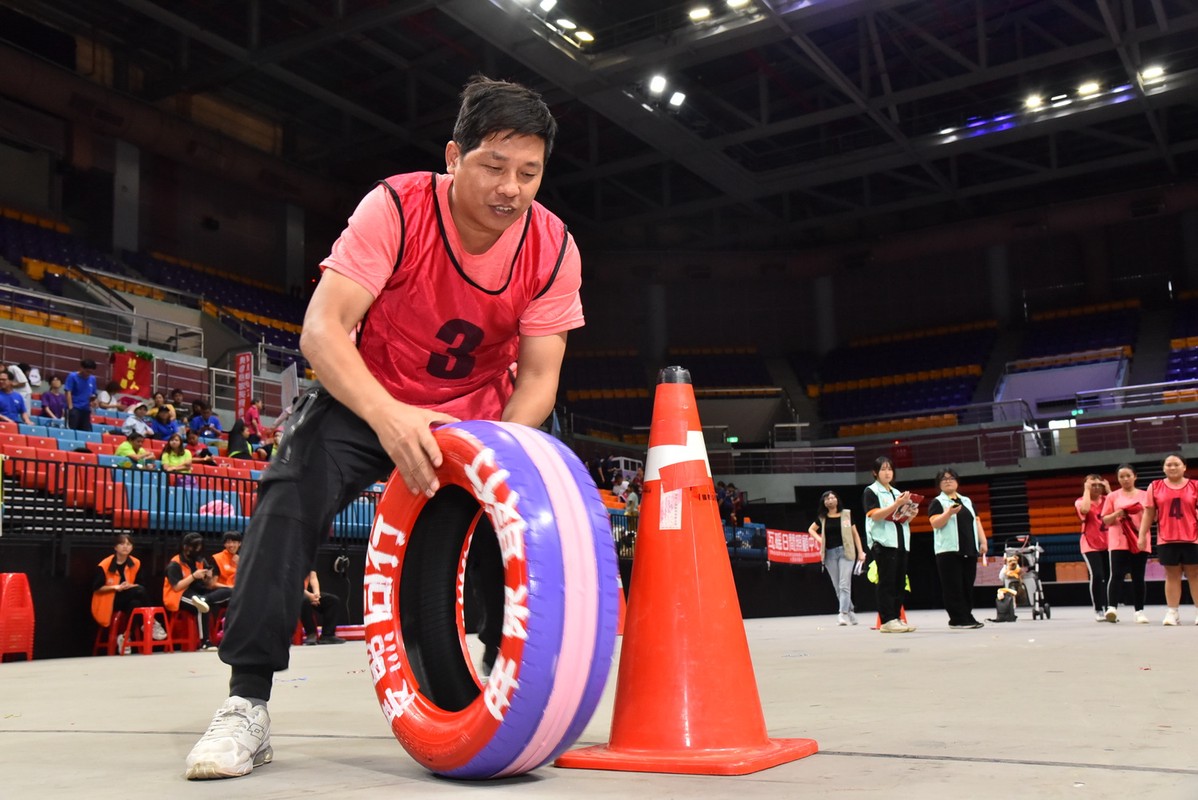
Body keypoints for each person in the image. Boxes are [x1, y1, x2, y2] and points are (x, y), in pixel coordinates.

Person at [186, 76, 582, 781]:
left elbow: (541, 380)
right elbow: (322, 330)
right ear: (453, 156)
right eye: (493, 165)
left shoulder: (553, 247)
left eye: (529, 172)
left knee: (523, 505)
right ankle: (246, 702)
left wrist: (494, 459)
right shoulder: (396, 207)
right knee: (286, 497)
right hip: (372, 398)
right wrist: (391, 416)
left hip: (482, 418)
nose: (510, 188)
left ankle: (510, 685)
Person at [1138, 452, 1198, 625]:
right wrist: (1142, 535)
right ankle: (1172, 612)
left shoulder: (1195, 486)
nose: (1172, 467)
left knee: (1195, 574)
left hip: (1192, 538)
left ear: (1184, 467)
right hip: (1166, 537)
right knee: (1172, 575)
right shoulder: (1155, 486)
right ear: (1164, 468)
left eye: (1176, 464)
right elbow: (1149, 513)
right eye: (1168, 465)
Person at [926, 467, 988, 629]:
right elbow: (934, 523)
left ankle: (967, 615)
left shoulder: (967, 501)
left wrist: (983, 541)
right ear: (939, 484)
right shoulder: (938, 502)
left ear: (957, 482)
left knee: (967, 584)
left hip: (969, 549)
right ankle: (957, 619)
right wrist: (948, 513)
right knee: (953, 586)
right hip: (948, 551)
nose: (948, 481)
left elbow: (977, 521)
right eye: (944, 479)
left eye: (951, 478)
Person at [864, 456, 918, 633]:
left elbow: (901, 519)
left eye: (890, 469)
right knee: (886, 581)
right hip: (883, 542)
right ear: (875, 472)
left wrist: (911, 512)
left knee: (899, 581)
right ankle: (887, 619)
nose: (887, 473)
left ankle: (896, 617)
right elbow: (875, 515)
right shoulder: (871, 491)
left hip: (901, 541)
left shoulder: (897, 492)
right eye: (883, 469)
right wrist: (897, 504)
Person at [91, 533, 164, 647]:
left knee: (136, 603)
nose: (125, 546)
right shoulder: (104, 565)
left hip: (128, 597)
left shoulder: (136, 562)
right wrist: (116, 587)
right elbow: (97, 588)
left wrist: (130, 585)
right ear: (115, 547)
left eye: (129, 544)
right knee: (140, 591)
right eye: (122, 544)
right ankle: (152, 622)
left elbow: (141, 584)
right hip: (110, 600)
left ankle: (125, 636)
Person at [164, 532, 233, 650]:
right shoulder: (175, 563)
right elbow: (176, 587)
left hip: (198, 593)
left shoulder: (200, 560)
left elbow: (208, 584)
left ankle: (204, 599)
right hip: (178, 595)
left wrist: (208, 576)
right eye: (196, 546)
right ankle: (205, 642)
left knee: (229, 591)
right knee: (202, 606)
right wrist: (194, 576)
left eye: (200, 546)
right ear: (186, 547)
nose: (198, 549)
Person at [1101, 463, 1151, 624]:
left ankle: (1139, 611)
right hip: (1118, 541)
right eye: (1121, 476)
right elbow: (1105, 520)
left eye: (1128, 475)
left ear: (1135, 477)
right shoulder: (1112, 497)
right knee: (1116, 575)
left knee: (1138, 576)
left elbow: (1154, 518)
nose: (1125, 479)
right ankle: (1112, 608)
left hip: (1140, 540)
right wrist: (1117, 513)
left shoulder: (1145, 495)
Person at [808, 490, 865, 625]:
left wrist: (861, 552)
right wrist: (821, 540)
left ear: (837, 500)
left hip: (846, 552)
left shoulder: (846, 515)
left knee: (844, 584)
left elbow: (855, 534)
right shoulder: (822, 517)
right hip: (829, 554)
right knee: (837, 585)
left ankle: (842, 614)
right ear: (824, 502)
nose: (830, 500)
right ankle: (850, 611)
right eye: (827, 498)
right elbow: (811, 529)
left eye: (833, 497)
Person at [1076, 474, 1112, 623]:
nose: (1097, 487)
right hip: (1090, 543)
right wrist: (1086, 489)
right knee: (1097, 575)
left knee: (1110, 575)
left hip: (1109, 542)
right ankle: (1098, 608)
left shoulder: (1107, 500)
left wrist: (1109, 490)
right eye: (1093, 485)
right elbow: (1084, 510)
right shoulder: (1080, 502)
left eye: (1099, 485)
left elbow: (1120, 506)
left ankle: (1111, 607)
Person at [299, 570, 346, 645]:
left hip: (307, 594)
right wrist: (309, 596)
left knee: (332, 601)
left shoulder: (309, 560)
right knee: (304, 600)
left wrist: (316, 595)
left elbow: (313, 578)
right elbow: (290, 583)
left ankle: (327, 635)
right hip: (292, 593)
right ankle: (311, 634)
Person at [64, 358, 97, 431]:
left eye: (90, 372)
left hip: (86, 409)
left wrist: (93, 400)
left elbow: (94, 393)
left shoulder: (93, 379)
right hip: (75, 408)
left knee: (86, 431)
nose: (88, 374)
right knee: (71, 430)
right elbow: (68, 392)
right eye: (87, 371)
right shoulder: (72, 376)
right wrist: (70, 408)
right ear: (82, 368)